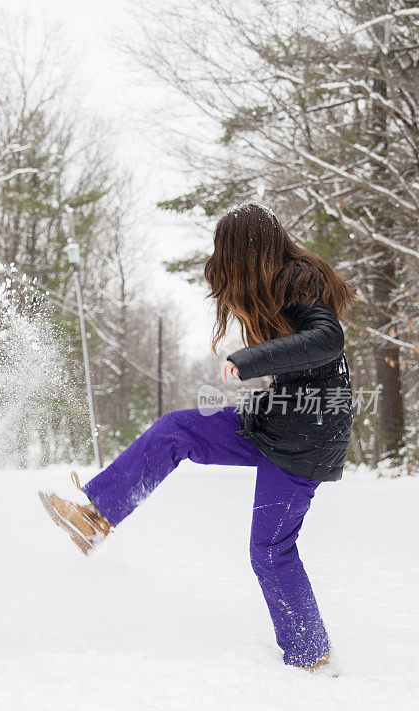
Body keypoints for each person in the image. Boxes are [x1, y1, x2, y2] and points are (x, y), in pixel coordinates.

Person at [38, 204, 354, 672]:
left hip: (309, 433)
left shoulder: (300, 280)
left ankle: (310, 655)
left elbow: (329, 340)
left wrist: (251, 358)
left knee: (271, 549)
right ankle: (96, 517)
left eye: (225, 254)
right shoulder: (280, 281)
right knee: (176, 430)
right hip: (279, 418)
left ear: (247, 250)